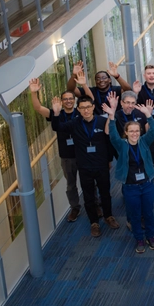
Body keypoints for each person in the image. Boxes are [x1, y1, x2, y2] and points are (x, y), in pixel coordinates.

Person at [51, 95, 119, 237]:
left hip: (101, 164)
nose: (86, 110)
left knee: (105, 193)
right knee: (88, 196)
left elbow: (109, 139)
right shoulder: (74, 123)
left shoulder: (102, 120)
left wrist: (109, 160)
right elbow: (57, 127)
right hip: (84, 166)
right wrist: (56, 113)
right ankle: (94, 223)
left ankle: (109, 216)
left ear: (93, 107)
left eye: (88, 107)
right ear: (78, 110)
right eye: (82, 108)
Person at [29, 74, 92, 222]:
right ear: (61, 102)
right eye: (66, 99)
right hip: (67, 156)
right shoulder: (56, 113)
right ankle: (75, 208)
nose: (69, 101)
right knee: (71, 185)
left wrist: (83, 85)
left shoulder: (81, 112)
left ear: (75, 100)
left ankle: (95, 204)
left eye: (71, 98)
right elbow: (38, 108)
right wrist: (33, 92)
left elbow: (91, 101)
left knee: (89, 181)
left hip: (83, 154)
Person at [104, 97, 154, 253]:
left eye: (137, 131)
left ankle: (151, 237)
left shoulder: (144, 141)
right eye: (131, 131)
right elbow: (113, 135)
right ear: (126, 132)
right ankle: (139, 239)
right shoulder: (121, 145)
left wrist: (148, 115)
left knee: (148, 212)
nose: (135, 133)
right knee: (134, 215)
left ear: (140, 131)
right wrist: (112, 116)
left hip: (147, 184)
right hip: (130, 186)